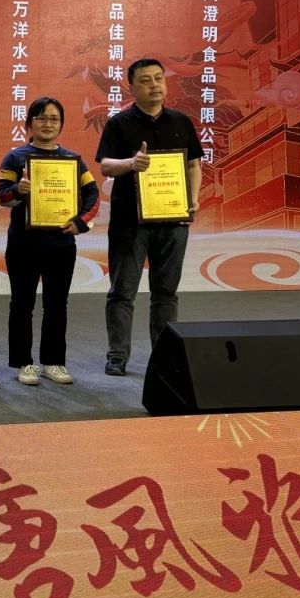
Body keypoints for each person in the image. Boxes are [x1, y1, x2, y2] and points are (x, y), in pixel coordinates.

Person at [96, 57, 202, 376]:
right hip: (130, 223)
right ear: (132, 87)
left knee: (166, 292)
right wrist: (131, 164)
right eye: (145, 80)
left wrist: (193, 199)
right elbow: (105, 166)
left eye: (159, 78)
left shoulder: (181, 122)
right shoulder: (119, 123)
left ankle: (164, 356)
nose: (154, 85)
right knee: (122, 291)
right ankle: (117, 355)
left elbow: (194, 165)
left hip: (173, 220)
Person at [0, 97, 99, 386]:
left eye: (54, 119)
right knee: (22, 304)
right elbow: (1, 195)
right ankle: (24, 363)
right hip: (23, 243)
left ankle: (54, 362)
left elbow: (93, 194)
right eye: (41, 118)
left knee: (57, 304)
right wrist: (19, 188)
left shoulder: (73, 160)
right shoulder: (15, 157)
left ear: (61, 124)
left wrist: (80, 222)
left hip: (61, 244)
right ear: (29, 123)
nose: (48, 124)